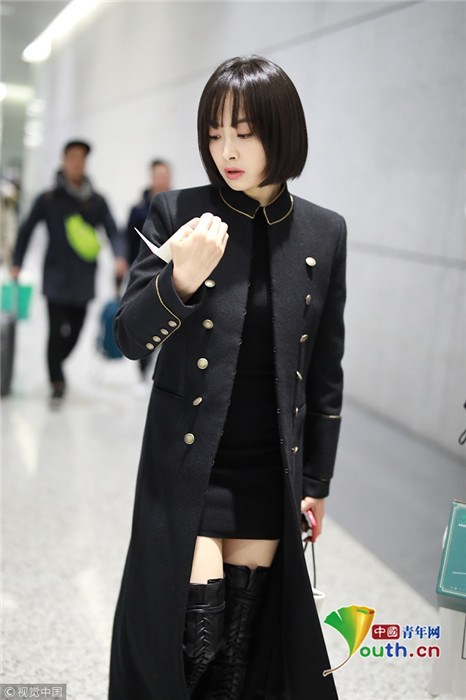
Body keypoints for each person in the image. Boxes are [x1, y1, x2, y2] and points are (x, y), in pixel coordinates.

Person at [109, 56, 346, 700]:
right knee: (190, 645)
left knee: (237, 658)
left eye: (243, 133)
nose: (226, 151)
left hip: (267, 476)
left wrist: (316, 482)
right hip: (188, 468)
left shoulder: (324, 232)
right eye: (214, 134)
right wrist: (180, 280)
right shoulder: (178, 212)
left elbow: (324, 370)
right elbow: (127, 337)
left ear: (282, 133)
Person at [11, 140, 127, 406]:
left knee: (75, 333)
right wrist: (17, 262)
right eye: (72, 157)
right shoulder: (49, 199)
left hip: (83, 279)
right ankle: (57, 382)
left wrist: (119, 256)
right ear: (64, 161)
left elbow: (112, 230)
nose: (77, 163)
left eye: (81, 158)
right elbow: (27, 230)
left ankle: (55, 363)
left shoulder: (96, 201)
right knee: (55, 332)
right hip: (55, 277)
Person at [124, 159, 171, 384]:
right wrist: (126, 268)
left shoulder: (179, 207)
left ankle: (162, 374)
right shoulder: (138, 210)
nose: (161, 180)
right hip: (144, 275)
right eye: (158, 176)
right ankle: (142, 374)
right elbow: (129, 241)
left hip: (172, 275)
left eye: (165, 176)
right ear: (151, 178)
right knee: (146, 322)